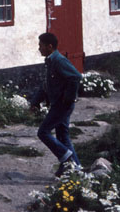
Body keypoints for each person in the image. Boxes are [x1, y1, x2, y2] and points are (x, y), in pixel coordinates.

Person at [28, 32, 83, 177]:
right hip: (57, 104)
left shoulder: (59, 61)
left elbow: (75, 77)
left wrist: (68, 98)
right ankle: (75, 168)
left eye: (41, 45)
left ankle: (68, 159)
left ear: (49, 46)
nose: (39, 48)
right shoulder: (50, 61)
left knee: (43, 132)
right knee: (63, 136)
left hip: (62, 105)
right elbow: (45, 86)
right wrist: (35, 102)